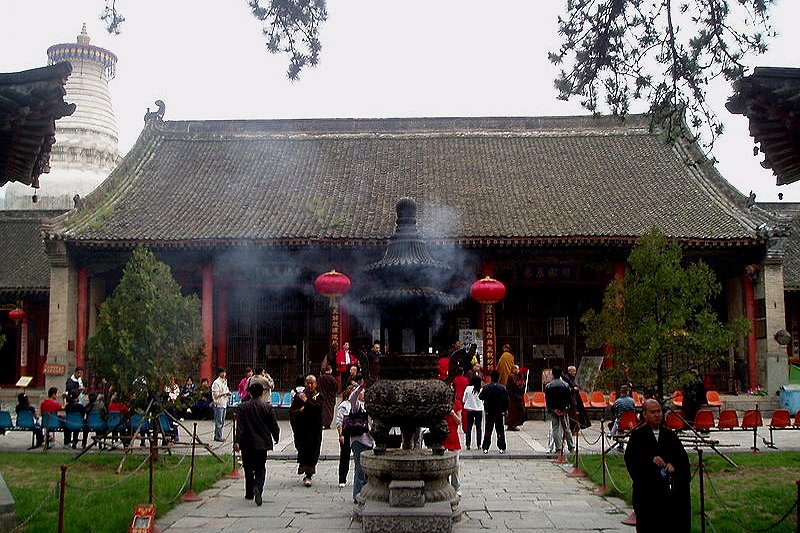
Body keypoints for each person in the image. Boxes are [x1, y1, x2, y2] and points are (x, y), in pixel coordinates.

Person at [624, 399, 691, 532]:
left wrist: (674, 465)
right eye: (653, 412)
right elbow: (631, 459)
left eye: (659, 411)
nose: (657, 415)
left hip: (669, 492)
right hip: (647, 492)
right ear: (645, 414)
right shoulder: (638, 436)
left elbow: (682, 458)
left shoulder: (670, 435)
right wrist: (649, 460)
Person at [233, 382, 280, 506]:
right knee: (260, 467)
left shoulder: (243, 407)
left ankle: (249, 492)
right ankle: (258, 487)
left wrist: (237, 441)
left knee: (248, 468)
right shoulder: (267, 407)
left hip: (247, 442)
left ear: (250, 393)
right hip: (262, 442)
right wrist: (276, 436)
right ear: (262, 393)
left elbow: (240, 426)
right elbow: (273, 424)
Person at [289, 374, 323, 487]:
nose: (309, 385)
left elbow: (317, 408)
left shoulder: (319, 396)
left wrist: (306, 402)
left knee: (313, 452)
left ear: (316, 384)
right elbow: (292, 411)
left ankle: (309, 475)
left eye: (311, 383)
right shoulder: (299, 396)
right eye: (307, 383)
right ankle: (304, 469)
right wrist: (299, 411)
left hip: (314, 430)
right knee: (302, 450)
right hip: (302, 430)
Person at [349, 386, 374, 504]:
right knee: (360, 470)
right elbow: (352, 398)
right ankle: (357, 494)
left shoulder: (373, 409)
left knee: (368, 470)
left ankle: (365, 492)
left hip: (370, 441)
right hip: (359, 440)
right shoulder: (358, 406)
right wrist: (360, 387)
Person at [544, 366, 574, 455]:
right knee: (567, 428)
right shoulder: (566, 385)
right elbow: (569, 399)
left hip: (554, 410)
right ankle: (571, 447)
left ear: (552, 374)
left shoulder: (548, 386)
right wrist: (566, 409)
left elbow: (548, 400)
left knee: (555, 428)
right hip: (563, 410)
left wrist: (552, 409)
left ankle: (558, 448)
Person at [479, 370, 508, 454]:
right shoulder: (502, 388)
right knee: (500, 430)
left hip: (489, 411)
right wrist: (505, 409)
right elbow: (506, 400)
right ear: (498, 378)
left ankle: (486, 447)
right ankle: (501, 447)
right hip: (499, 412)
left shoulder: (487, 387)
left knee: (488, 430)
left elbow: (480, 397)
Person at [335, 383, 356, 487]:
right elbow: (339, 421)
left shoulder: (360, 404)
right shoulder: (344, 405)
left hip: (357, 433)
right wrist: (340, 434)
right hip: (346, 432)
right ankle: (342, 478)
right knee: (344, 456)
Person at [442, 390, 462, 495]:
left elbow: (459, 421)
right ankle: (445, 486)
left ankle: (456, 487)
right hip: (443, 438)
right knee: (443, 465)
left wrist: (452, 413)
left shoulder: (457, 404)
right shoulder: (441, 404)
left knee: (455, 465)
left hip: (454, 438)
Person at [564, 365, 590, 433]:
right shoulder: (566, 379)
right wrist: (573, 389)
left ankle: (576, 429)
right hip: (571, 400)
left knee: (577, 415)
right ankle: (572, 429)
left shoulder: (573, 378)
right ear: (570, 371)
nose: (575, 372)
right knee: (572, 415)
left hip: (575, 399)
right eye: (574, 371)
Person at [610, 385, 637, 451]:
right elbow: (633, 410)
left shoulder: (617, 402)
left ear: (620, 392)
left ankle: (620, 444)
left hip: (621, 423)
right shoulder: (632, 401)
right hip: (631, 423)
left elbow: (615, 412)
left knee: (617, 423)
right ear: (627, 392)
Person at [461, 375, 483, 450]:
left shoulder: (468, 388)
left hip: (470, 409)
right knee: (478, 427)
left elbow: (464, 400)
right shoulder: (481, 390)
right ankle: (479, 444)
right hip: (479, 410)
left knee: (469, 427)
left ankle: (468, 444)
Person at [211, 367, 232, 442]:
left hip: (224, 403)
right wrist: (224, 393)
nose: (224, 374)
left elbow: (226, 390)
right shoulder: (216, 383)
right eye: (222, 372)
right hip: (218, 403)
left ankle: (219, 435)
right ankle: (218, 436)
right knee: (218, 421)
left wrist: (228, 393)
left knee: (222, 421)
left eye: (224, 372)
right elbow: (216, 394)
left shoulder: (224, 382)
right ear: (219, 373)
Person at [505, 365, 527, 431]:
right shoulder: (511, 376)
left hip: (514, 397)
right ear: (513, 369)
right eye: (517, 369)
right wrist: (521, 384)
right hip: (513, 398)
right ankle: (512, 424)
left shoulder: (513, 376)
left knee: (513, 412)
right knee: (515, 411)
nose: (518, 371)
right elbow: (515, 386)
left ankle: (511, 424)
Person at [318, 365, 339, 429]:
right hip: (330, 397)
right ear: (330, 370)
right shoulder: (332, 378)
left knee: (323, 410)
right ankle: (328, 423)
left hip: (322, 396)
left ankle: (323, 422)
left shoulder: (321, 378)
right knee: (329, 410)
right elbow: (336, 388)